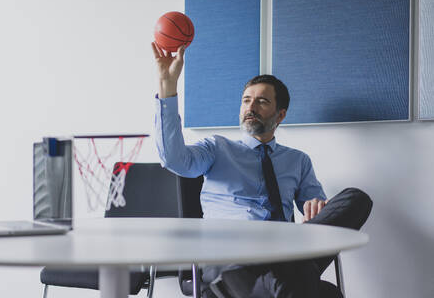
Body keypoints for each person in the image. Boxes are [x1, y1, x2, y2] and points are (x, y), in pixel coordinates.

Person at [151, 42, 372, 298]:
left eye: (262, 101)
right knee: (321, 293)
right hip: (228, 255)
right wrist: (167, 87)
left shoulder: (298, 161)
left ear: (280, 115)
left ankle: (280, 275)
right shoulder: (216, 148)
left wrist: (316, 205)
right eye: (246, 100)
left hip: (284, 250)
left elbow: (317, 211)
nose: (251, 107)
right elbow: (173, 159)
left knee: (357, 199)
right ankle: (282, 277)